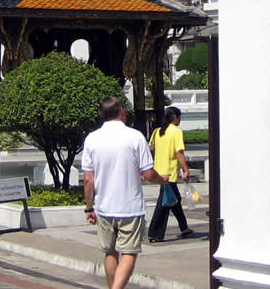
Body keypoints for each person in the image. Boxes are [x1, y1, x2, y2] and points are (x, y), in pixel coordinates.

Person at [82, 98, 166, 289]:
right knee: (129, 253)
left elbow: (88, 179)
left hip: (104, 207)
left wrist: (89, 207)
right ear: (121, 111)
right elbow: (147, 173)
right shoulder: (135, 137)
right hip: (130, 207)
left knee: (110, 252)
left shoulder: (92, 139)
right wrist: (161, 179)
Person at [146, 107, 192, 243]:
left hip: (158, 170)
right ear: (175, 117)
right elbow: (179, 153)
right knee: (165, 202)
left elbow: (151, 147)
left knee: (174, 199)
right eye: (179, 117)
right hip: (170, 172)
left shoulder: (157, 131)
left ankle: (184, 227)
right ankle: (155, 232)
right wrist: (185, 169)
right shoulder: (176, 132)